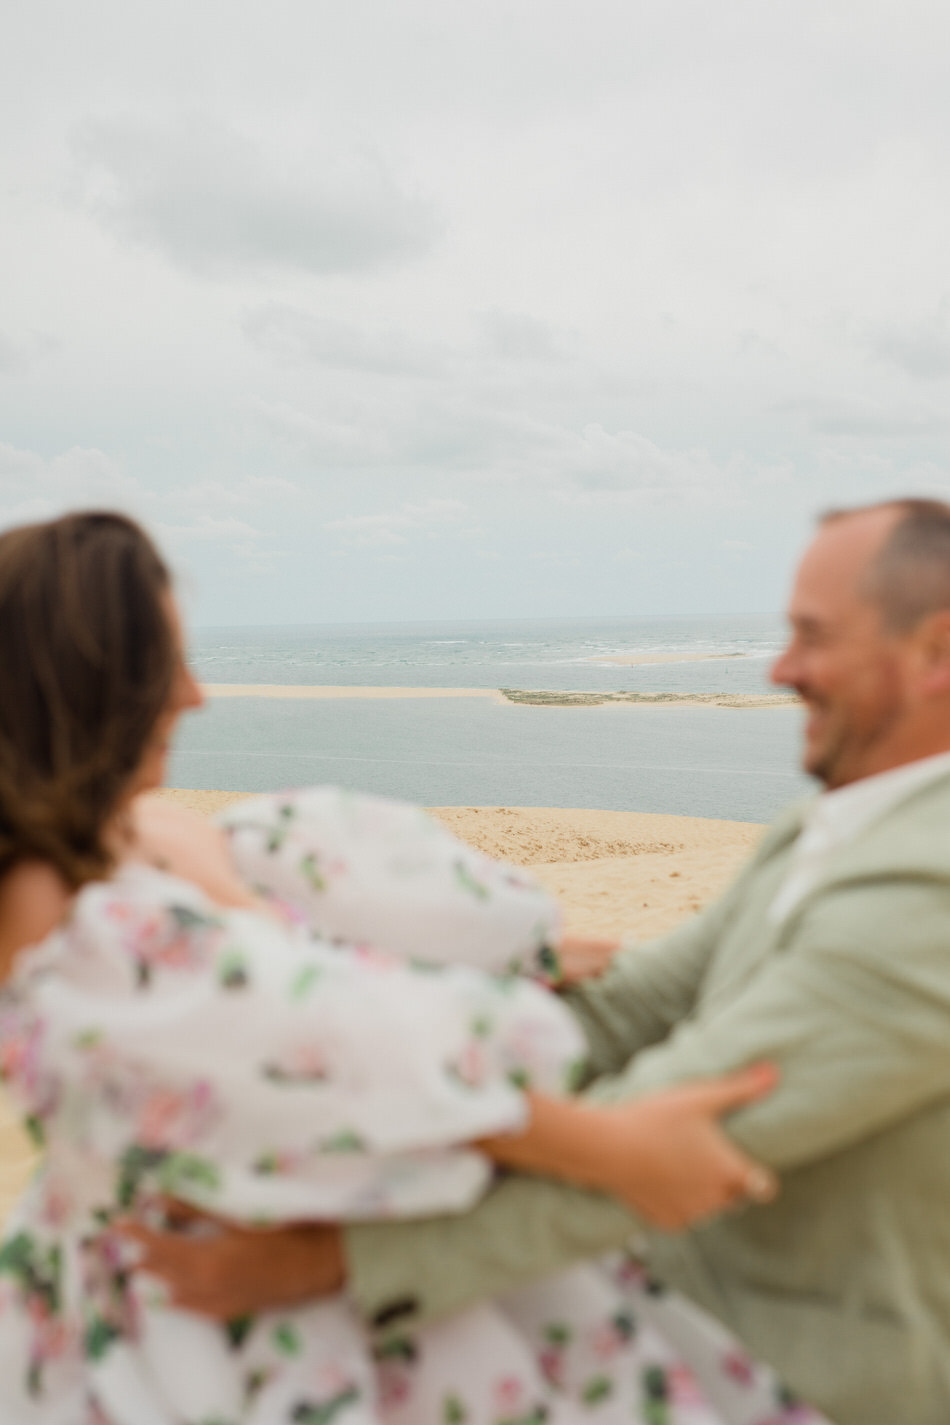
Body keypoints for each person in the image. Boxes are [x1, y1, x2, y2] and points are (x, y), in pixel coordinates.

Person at [133, 497, 950, 1425]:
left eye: (813, 636)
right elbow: (631, 1008)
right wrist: (409, 1039)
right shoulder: (834, 819)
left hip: (793, 1369)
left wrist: (339, 1262)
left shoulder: (931, 895)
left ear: (936, 652)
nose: (780, 668)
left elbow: (687, 1120)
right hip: (657, 1292)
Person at [0, 510, 804, 1425]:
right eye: (162, 666)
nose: (194, 697)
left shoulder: (127, 833)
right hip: (198, 1330)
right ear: (79, 682)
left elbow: (317, 915)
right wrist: (609, 1148)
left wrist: (522, 948)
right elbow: (305, 1041)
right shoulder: (51, 913)